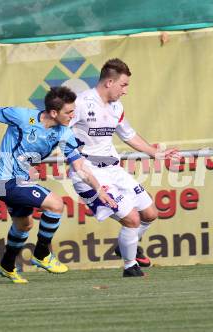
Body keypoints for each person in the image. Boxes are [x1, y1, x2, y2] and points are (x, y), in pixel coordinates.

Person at [0, 86, 116, 283]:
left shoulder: (63, 134)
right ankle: (42, 254)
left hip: (19, 181)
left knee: (24, 225)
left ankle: (6, 266)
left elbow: (79, 165)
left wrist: (98, 189)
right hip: (4, 180)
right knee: (56, 204)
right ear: (53, 112)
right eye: (68, 112)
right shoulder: (26, 118)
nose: (72, 115)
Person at [68, 58, 179, 277]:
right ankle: (130, 267)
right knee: (132, 219)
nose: (125, 91)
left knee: (150, 213)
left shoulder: (117, 106)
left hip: (114, 169)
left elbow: (128, 134)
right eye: (123, 85)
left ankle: (127, 244)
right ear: (109, 82)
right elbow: (59, 132)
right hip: (89, 173)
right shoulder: (80, 103)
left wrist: (156, 153)